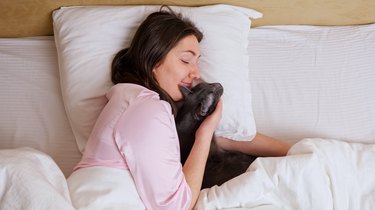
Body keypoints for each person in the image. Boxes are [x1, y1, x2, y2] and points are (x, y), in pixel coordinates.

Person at [72, 7, 291, 210]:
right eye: (186, 60)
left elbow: (224, 139)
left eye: (197, 62)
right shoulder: (147, 109)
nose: (196, 73)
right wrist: (204, 134)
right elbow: (176, 206)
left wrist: (291, 151)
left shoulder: (131, 98)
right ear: (154, 59)